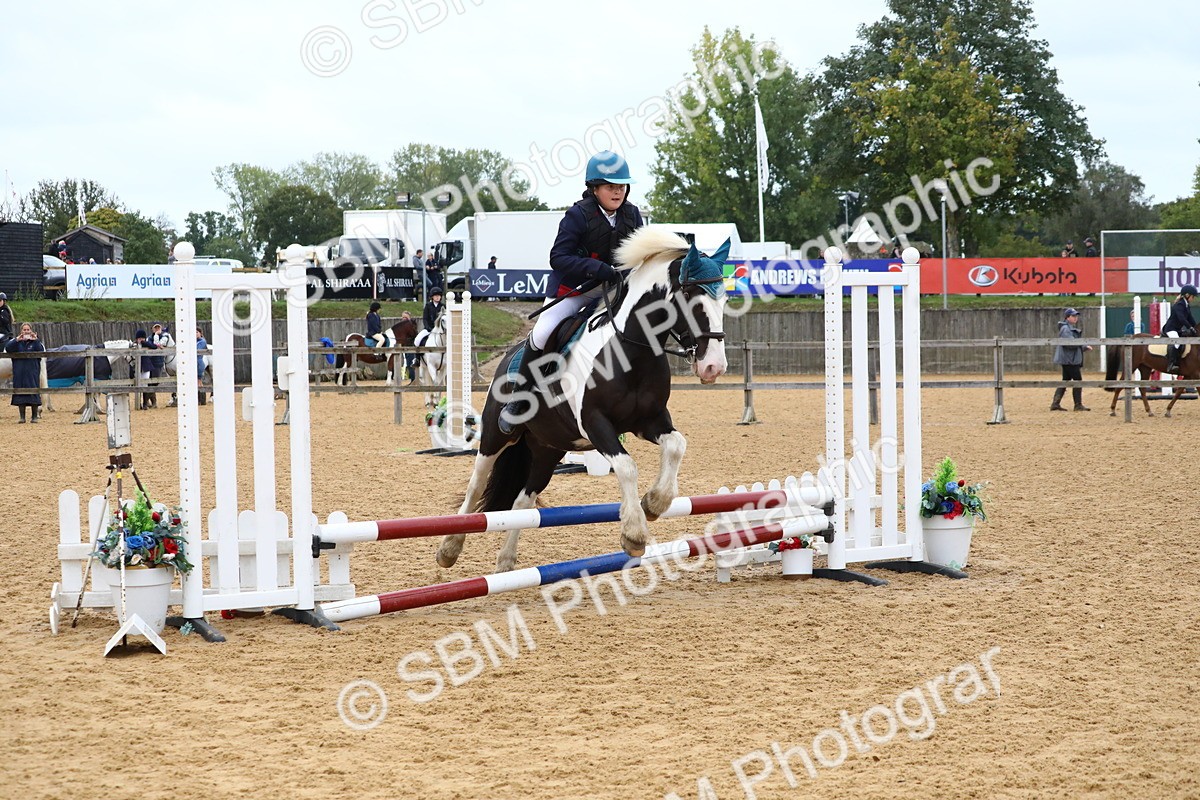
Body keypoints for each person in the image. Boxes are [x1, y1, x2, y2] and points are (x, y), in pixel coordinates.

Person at [498, 150, 645, 433]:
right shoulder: (577, 215)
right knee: (543, 332)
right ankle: (518, 400)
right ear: (594, 188)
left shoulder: (632, 214)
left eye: (622, 186)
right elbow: (558, 257)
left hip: (613, 290)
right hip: (574, 289)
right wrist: (595, 268)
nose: (618, 192)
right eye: (611, 186)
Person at [1051, 308, 1092, 411]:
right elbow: (1070, 343)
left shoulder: (1067, 328)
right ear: (1067, 317)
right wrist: (1084, 346)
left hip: (1069, 359)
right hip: (1070, 360)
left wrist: (1083, 347)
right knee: (1078, 380)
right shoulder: (1066, 329)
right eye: (1073, 316)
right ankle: (1077, 405)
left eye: (1076, 316)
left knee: (1065, 380)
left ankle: (1055, 403)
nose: (1075, 318)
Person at [5, 322, 45, 423]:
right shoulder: (17, 343)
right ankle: (22, 417)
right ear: (21, 331)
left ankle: (34, 416)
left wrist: (36, 340)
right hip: (20, 373)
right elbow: (8, 348)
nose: (26, 332)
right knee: (20, 394)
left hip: (32, 372)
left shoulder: (35, 343)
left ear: (31, 331)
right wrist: (16, 340)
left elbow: (41, 351)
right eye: (24, 330)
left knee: (34, 393)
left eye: (28, 330)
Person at [1161, 285, 1199, 373]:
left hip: (1177, 329)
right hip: (1170, 329)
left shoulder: (1186, 306)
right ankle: (1171, 364)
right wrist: (1190, 327)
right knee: (1177, 342)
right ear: (1187, 295)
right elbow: (1182, 318)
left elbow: (1190, 318)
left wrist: (1195, 328)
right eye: (1192, 296)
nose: (1193, 299)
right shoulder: (1179, 305)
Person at [150, 322, 177, 406]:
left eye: (159, 327)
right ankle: (174, 397)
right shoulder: (151, 337)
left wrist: (157, 338)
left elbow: (159, 344)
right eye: (156, 328)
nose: (157, 329)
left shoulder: (165, 335)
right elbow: (157, 345)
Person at [133, 328, 159, 410]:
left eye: (143, 338)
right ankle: (139, 403)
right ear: (137, 339)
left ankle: (145, 403)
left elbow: (154, 346)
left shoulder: (146, 344)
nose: (141, 340)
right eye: (140, 338)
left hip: (145, 367)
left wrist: (144, 342)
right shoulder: (134, 345)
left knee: (145, 384)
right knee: (138, 384)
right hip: (136, 367)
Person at [195, 327, 210, 405]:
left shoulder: (202, 341)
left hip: (198, 361)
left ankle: (202, 400)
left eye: (197, 332)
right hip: (194, 362)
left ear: (200, 333)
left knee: (199, 381)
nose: (196, 334)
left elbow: (197, 349)